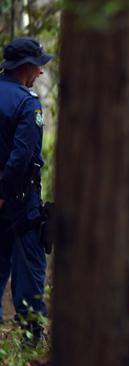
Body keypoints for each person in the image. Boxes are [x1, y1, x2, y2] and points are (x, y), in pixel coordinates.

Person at [0, 37, 52, 346]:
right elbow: (21, 157)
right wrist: (5, 191)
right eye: (38, 66)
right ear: (26, 68)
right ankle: (31, 339)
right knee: (29, 269)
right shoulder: (26, 102)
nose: (41, 73)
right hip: (19, 201)